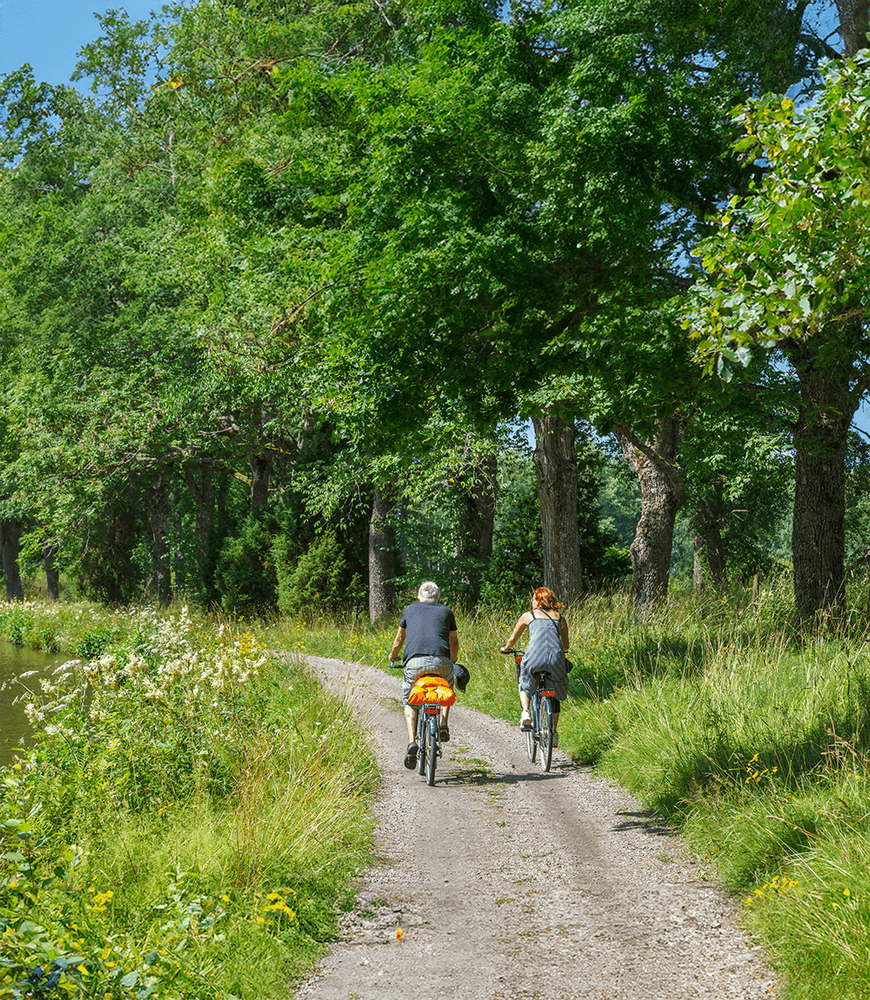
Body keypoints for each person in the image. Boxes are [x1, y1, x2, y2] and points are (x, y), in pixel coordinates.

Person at [389, 581, 458, 770]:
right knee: (446, 687)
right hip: (441, 661)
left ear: (419, 598)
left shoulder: (410, 610)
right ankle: (443, 724)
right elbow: (453, 641)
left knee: (410, 701)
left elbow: (399, 638)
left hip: (414, 663)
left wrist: (394, 656)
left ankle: (412, 741)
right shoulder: (446, 611)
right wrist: (453, 658)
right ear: (438, 599)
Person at [500, 586, 570, 747]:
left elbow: (512, 639)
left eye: (533, 598)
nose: (532, 601)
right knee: (555, 692)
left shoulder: (528, 616)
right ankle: (552, 733)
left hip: (534, 658)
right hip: (556, 660)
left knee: (524, 681)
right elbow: (565, 644)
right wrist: (563, 650)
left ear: (539, 601)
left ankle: (525, 712)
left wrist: (507, 648)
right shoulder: (560, 618)